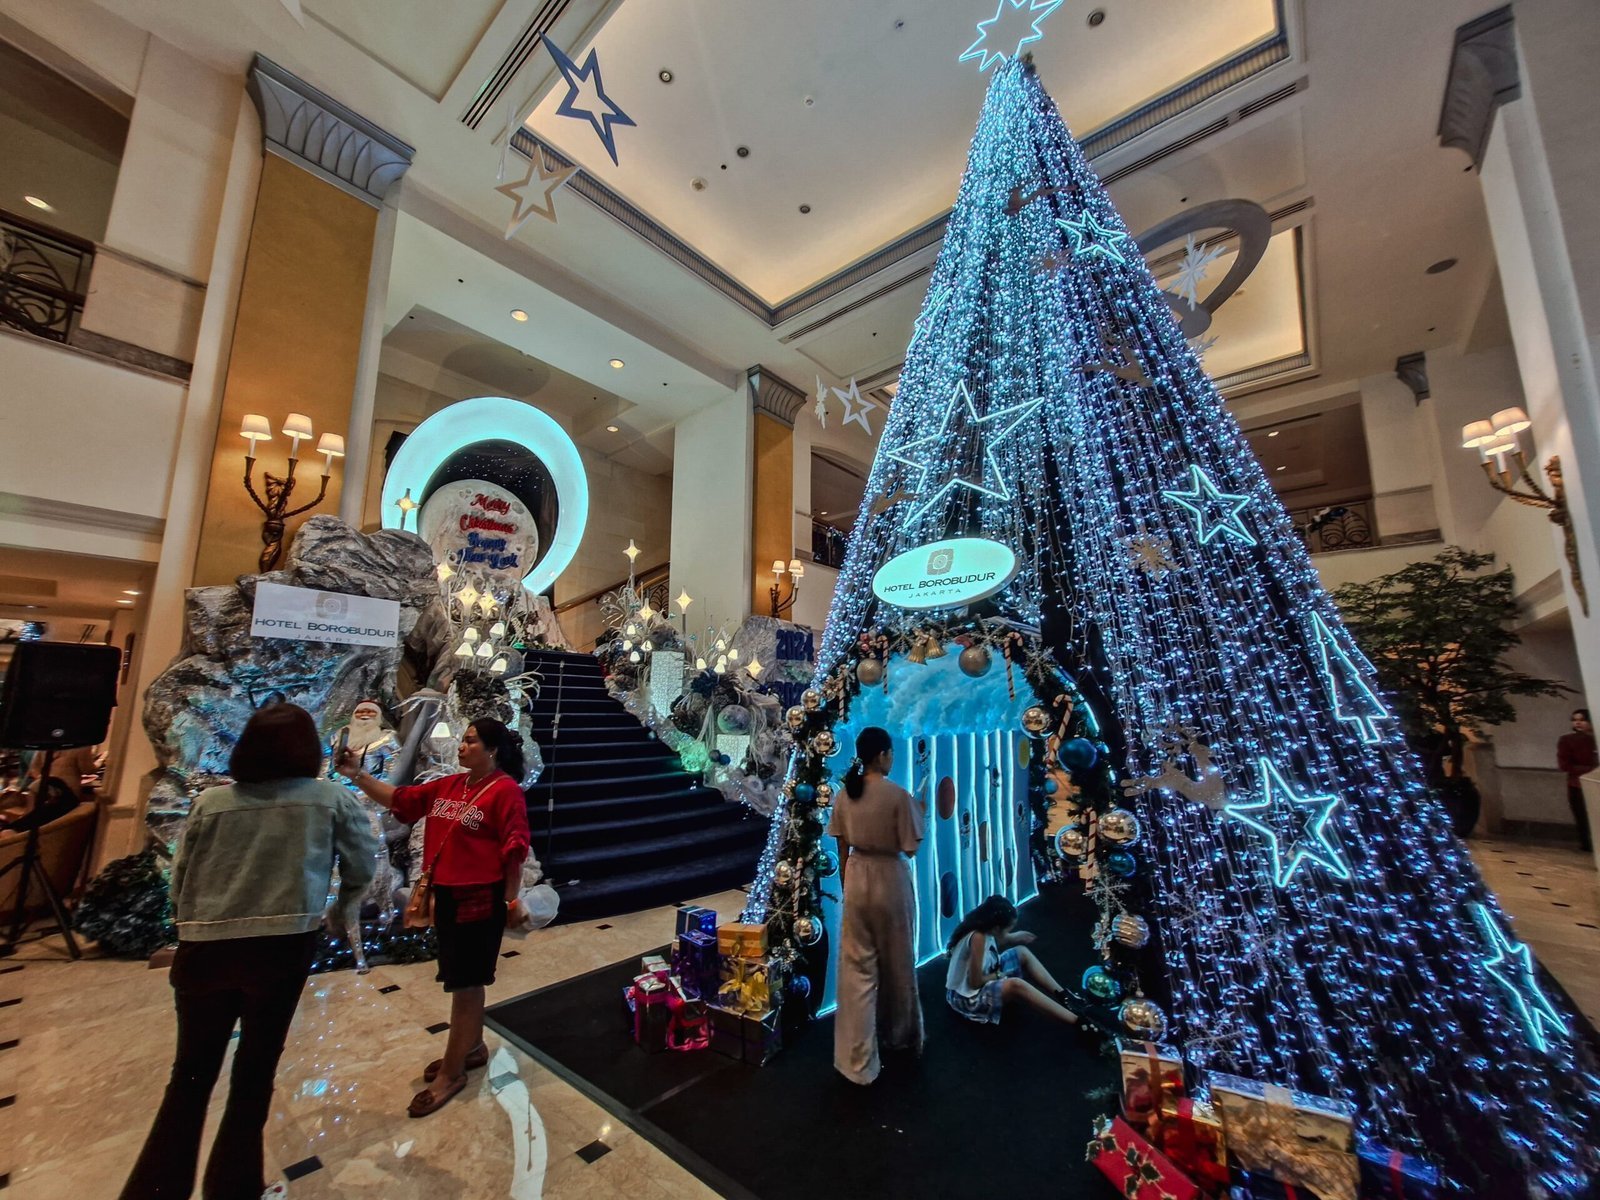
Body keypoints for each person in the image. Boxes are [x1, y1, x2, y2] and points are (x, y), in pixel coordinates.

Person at [121, 703, 377, 1200]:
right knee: (255, 1072)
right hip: (280, 949)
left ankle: (153, 1191)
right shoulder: (328, 800)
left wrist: (188, 925)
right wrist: (342, 909)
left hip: (205, 949)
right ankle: (233, 1187)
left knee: (188, 1078)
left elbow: (182, 874)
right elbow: (361, 864)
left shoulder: (212, 803)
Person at [339, 717, 530, 1117]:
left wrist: (513, 901)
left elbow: (514, 848)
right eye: (463, 740)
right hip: (445, 895)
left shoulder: (505, 791)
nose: (462, 747)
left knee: (467, 984)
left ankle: (452, 1072)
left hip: (479, 897)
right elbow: (400, 801)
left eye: (472, 741)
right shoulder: (450, 785)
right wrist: (357, 775)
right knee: (458, 976)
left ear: (492, 750)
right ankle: (472, 1046)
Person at [829, 725, 924, 1085]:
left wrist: (846, 884)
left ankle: (855, 1060)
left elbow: (840, 846)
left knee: (856, 970)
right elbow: (911, 847)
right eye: (891, 753)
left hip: (856, 875)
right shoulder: (898, 795)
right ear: (882, 754)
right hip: (890, 878)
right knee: (899, 962)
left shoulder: (844, 794)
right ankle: (899, 1037)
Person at [944, 895, 1095, 1034]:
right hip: (966, 999)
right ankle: (1079, 1023)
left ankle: (1063, 996)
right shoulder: (978, 938)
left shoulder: (981, 924)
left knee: (1021, 951)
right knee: (1016, 985)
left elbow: (998, 939)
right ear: (996, 927)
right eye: (1008, 929)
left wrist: (1012, 937)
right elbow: (975, 982)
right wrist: (998, 976)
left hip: (984, 976)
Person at [1558, 708, 1598, 853]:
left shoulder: (1594, 739)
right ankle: (1587, 844)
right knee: (1582, 817)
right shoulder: (1567, 740)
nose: (1578, 723)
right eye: (1575, 720)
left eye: (1582, 720)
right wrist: (1591, 769)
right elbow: (1565, 765)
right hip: (1578, 785)